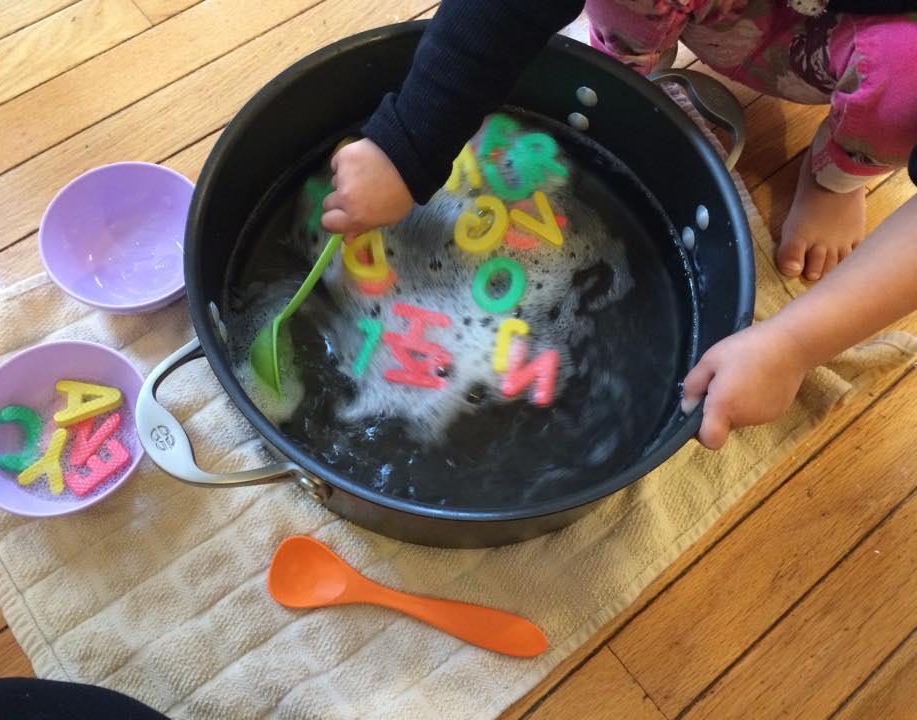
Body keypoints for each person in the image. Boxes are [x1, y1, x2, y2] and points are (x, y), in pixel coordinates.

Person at [321, 0, 917, 449]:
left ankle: (843, 167)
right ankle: (626, 66)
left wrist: (795, 343)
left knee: (903, 85)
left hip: (870, 35)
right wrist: (408, 145)